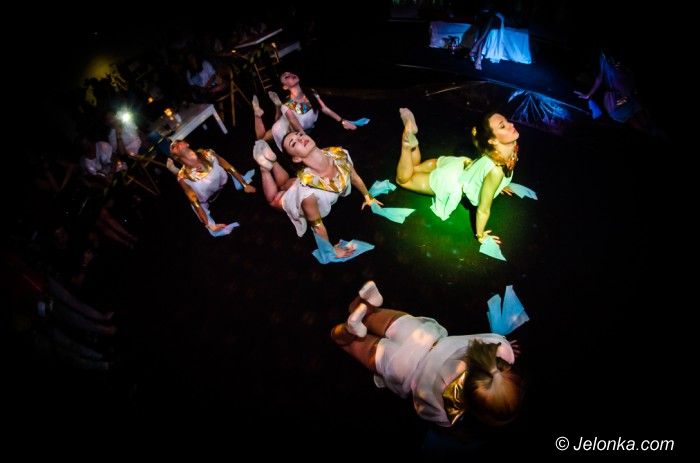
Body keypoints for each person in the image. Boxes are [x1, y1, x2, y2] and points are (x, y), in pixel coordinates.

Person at [331, 281, 523, 427]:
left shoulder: (496, 347)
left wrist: (506, 350)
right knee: (343, 340)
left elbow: (502, 348)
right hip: (401, 366)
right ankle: (348, 330)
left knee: (367, 313)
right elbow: (421, 407)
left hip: (421, 334)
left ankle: (366, 304)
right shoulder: (446, 413)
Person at [395, 108, 518, 245]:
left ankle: (411, 136)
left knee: (415, 168)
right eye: (503, 126)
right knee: (403, 180)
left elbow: (491, 165)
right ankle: (406, 144)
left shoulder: (508, 146)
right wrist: (481, 236)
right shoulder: (497, 169)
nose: (511, 125)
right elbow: (483, 210)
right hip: (449, 180)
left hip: (458, 164)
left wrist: (498, 184)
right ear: (493, 140)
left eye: (506, 122)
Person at [252, 133, 380, 258]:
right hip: (301, 192)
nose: (300, 139)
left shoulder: (340, 154)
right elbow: (317, 227)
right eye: (294, 143)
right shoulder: (307, 194)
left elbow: (354, 177)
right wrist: (332, 251)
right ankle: (264, 168)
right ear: (296, 158)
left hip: (306, 179)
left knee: (285, 183)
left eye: (299, 135)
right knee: (274, 199)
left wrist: (368, 197)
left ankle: (273, 161)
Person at [252, 71, 357, 151]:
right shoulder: (287, 106)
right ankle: (258, 115)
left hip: (297, 123)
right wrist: (313, 149)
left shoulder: (311, 92)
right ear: (285, 86)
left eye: (291, 73)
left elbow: (325, 109)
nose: (291, 75)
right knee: (261, 140)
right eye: (286, 77)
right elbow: (299, 130)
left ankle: (276, 106)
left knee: (265, 135)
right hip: (286, 128)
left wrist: (342, 121)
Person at [168, 140, 256, 232]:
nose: (175, 144)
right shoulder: (182, 177)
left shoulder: (208, 153)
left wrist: (245, 184)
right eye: (173, 147)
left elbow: (227, 166)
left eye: (178, 142)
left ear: (187, 144)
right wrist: (209, 225)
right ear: (175, 156)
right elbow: (194, 201)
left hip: (228, 188)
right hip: (213, 203)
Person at [574, 51, 644, 127]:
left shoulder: (604, 58)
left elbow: (601, 78)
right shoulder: (602, 59)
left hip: (624, 92)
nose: (581, 78)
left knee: (636, 111)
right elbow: (600, 78)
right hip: (619, 98)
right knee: (633, 112)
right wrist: (589, 95)